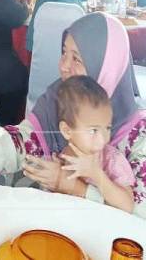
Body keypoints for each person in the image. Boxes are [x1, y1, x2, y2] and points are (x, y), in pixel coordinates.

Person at [0, 12, 146, 218]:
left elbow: (139, 213)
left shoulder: (138, 136)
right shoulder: (60, 100)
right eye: (64, 52)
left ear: (106, 68)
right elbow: (24, 145)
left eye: (77, 59)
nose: (63, 66)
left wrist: (73, 187)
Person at [56, 77, 134, 213]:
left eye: (107, 128)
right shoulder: (60, 159)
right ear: (67, 131)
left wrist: (96, 173)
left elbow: (127, 206)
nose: (103, 138)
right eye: (93, 130)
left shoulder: (112, 160)